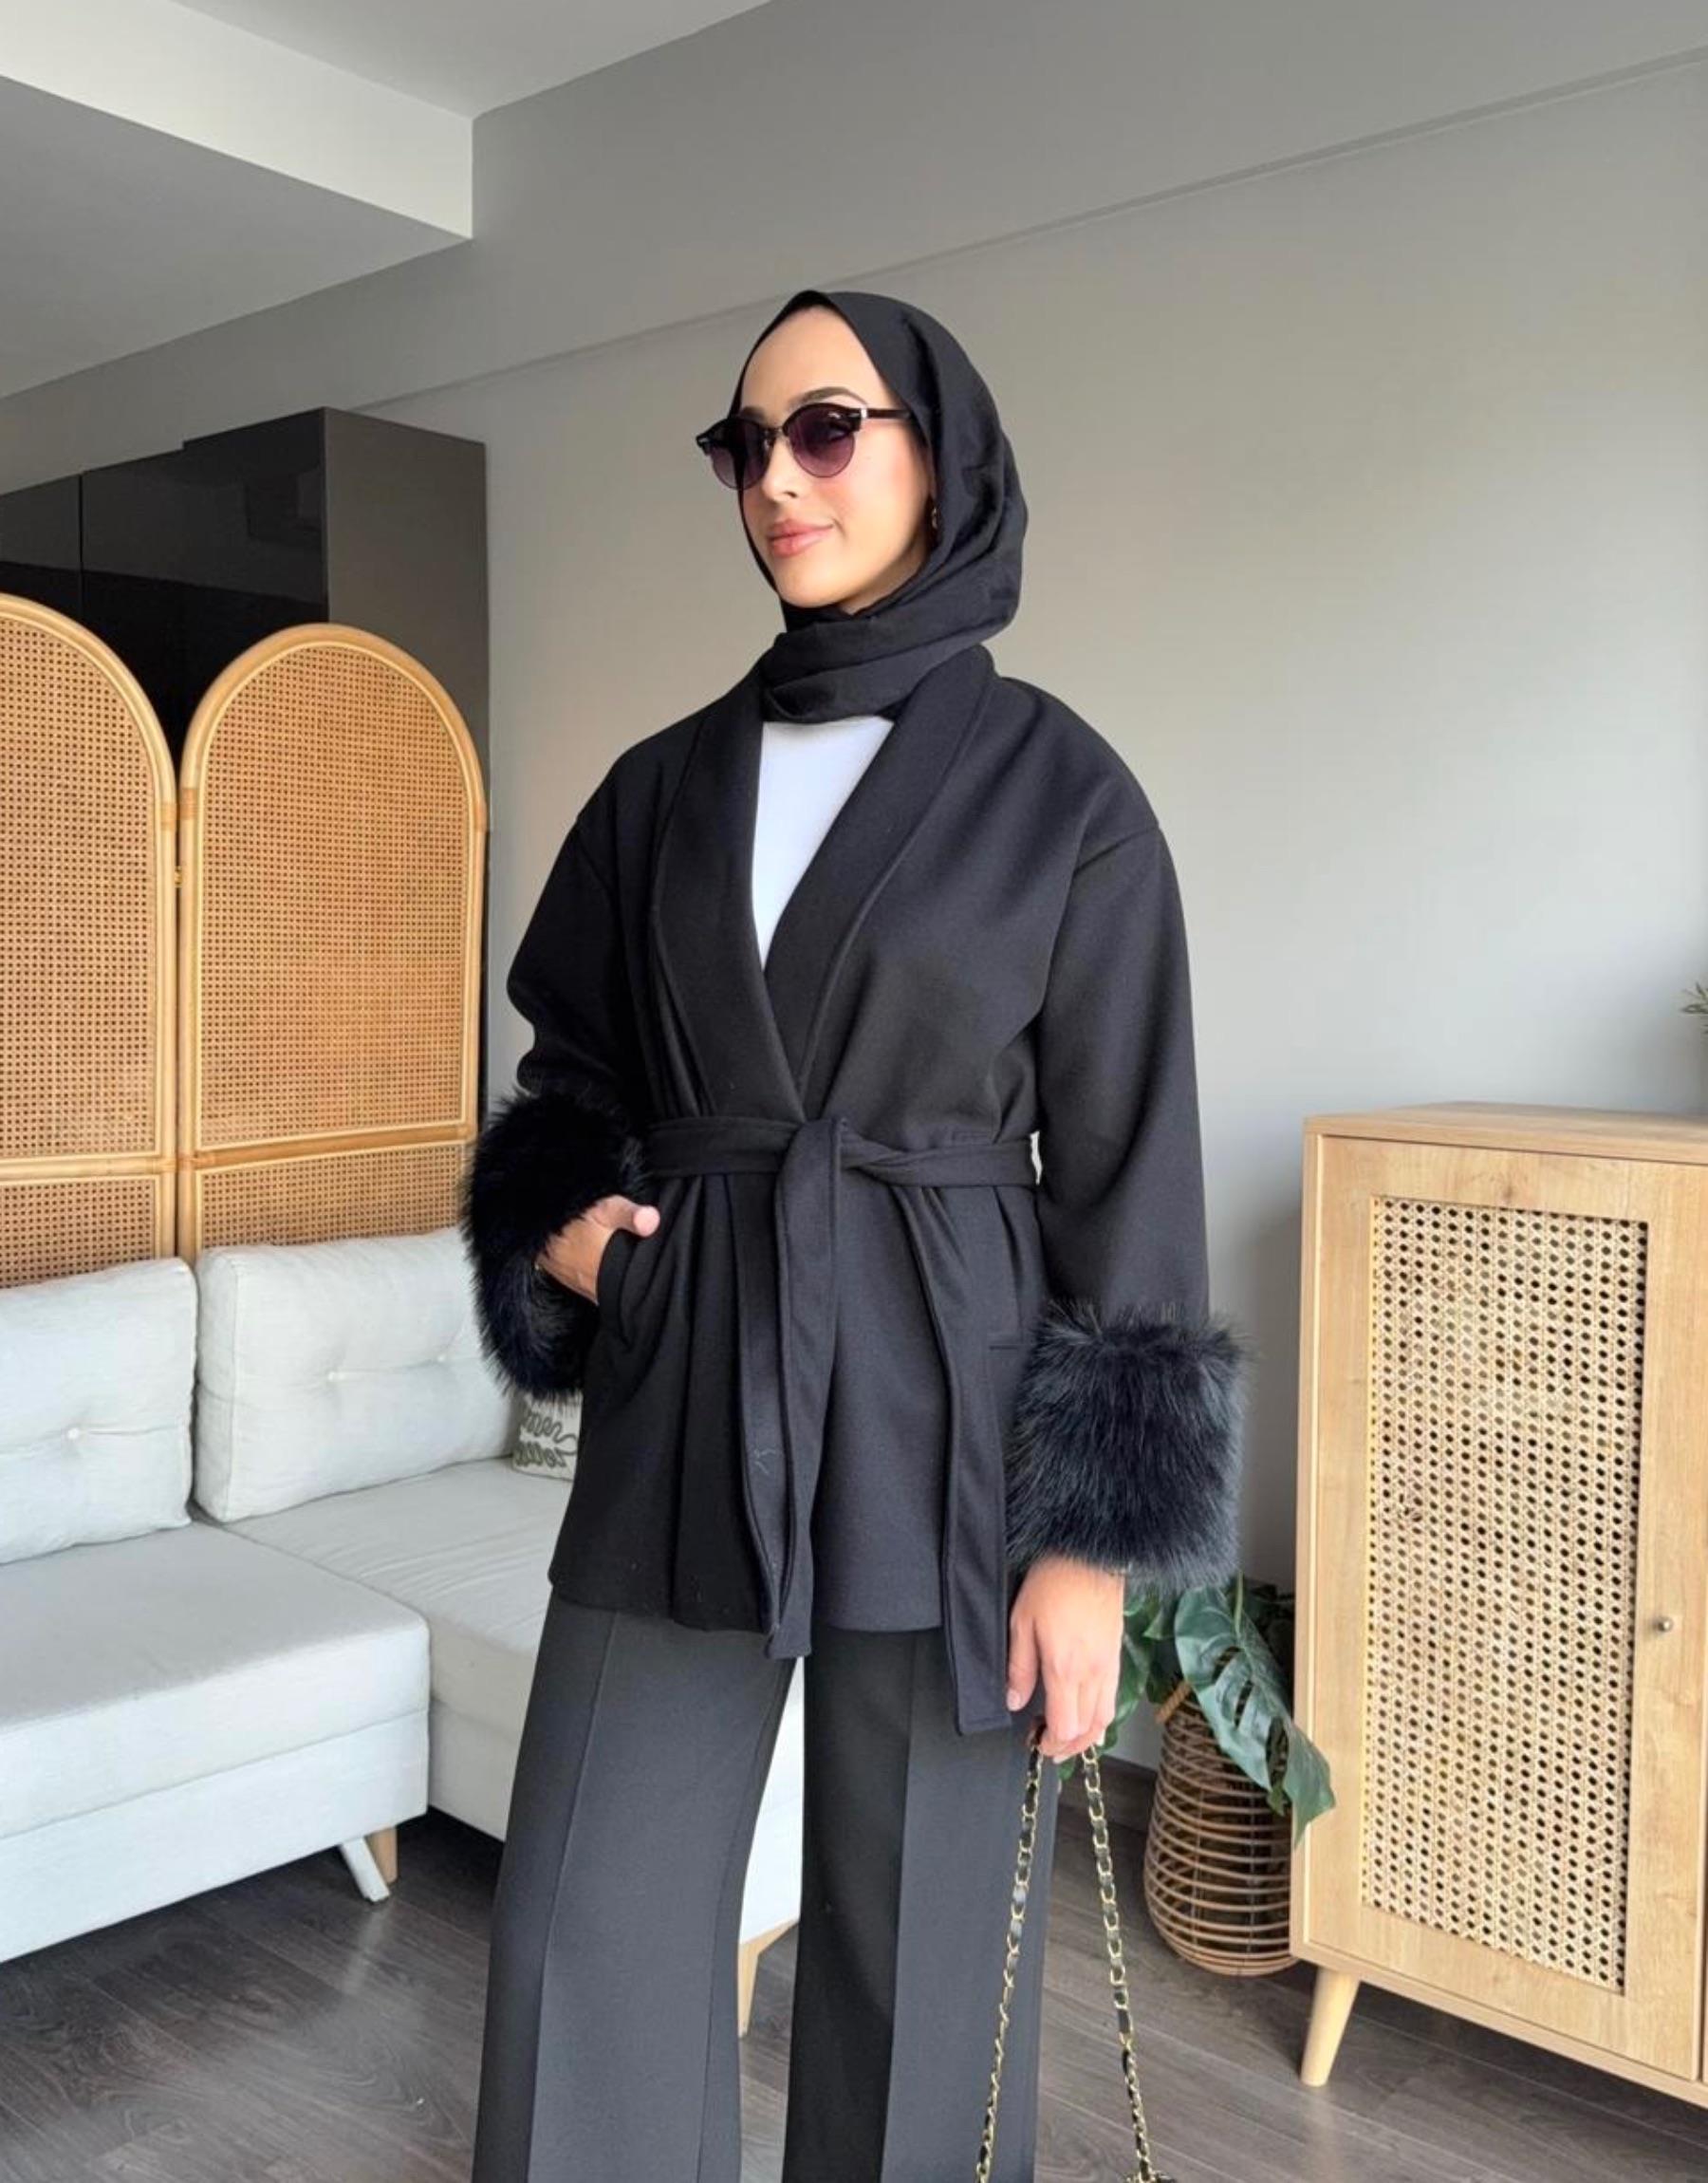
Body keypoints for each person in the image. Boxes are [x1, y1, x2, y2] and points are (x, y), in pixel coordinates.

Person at [461, 286, 1250, 2182]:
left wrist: (1091, 1546)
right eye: (746, 445)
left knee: (925, 1969)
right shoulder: (658, 791)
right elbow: (566, 1075)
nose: (778, 479)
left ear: (938, 453)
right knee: (585, 1922)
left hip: (956, 1405)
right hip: (686, 1378)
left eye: (824, 428)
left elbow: (1130, 1167)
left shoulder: (1065, 794)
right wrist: (578, 1248)